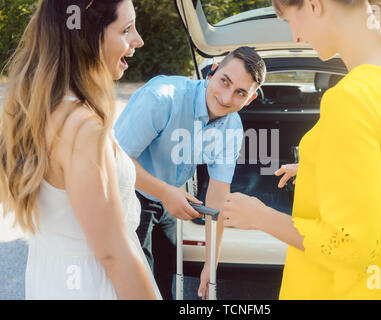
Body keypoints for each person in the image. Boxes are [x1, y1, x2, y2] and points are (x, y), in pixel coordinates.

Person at [221, 0, 381, 299]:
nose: (296, 36)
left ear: (315, 5)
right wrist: (320, 169)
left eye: (290, 19)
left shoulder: (352, 99)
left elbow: (350, 246)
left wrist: (259, 216)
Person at [0, 0, 162, 300]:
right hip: (94, 286)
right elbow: (113, 253)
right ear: (85, 38)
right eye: (126, 29)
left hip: (51, 278)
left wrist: (165, 192)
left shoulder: (37, 110)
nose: (138, 40)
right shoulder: (83, 128)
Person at [114, 46, 266, 299]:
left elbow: (218, 194)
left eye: (240, 93)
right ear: (212, 73)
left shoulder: (231, 127)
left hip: (169, 196)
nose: (226, 98)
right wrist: (166, 193)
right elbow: (115, 160)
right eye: (224, 82)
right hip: (128, 192)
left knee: (165, 275)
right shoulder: (163, 98)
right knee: (137, 284)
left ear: (249, 99)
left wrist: (210, 264)